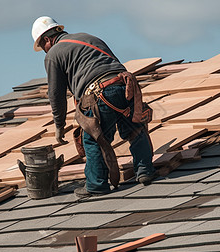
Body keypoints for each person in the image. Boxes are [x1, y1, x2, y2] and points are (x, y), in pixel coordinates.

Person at [31, 16, 156, 199]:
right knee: (134, 129)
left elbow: (56, 95)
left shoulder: (53, 54)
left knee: (94, 138)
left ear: (47, 39)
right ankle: (145, 170)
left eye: (43, 47)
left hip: (99, 93)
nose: (44, 51)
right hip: (125, 86)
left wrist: (59, 125)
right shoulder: (89, 38)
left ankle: (97, 184)